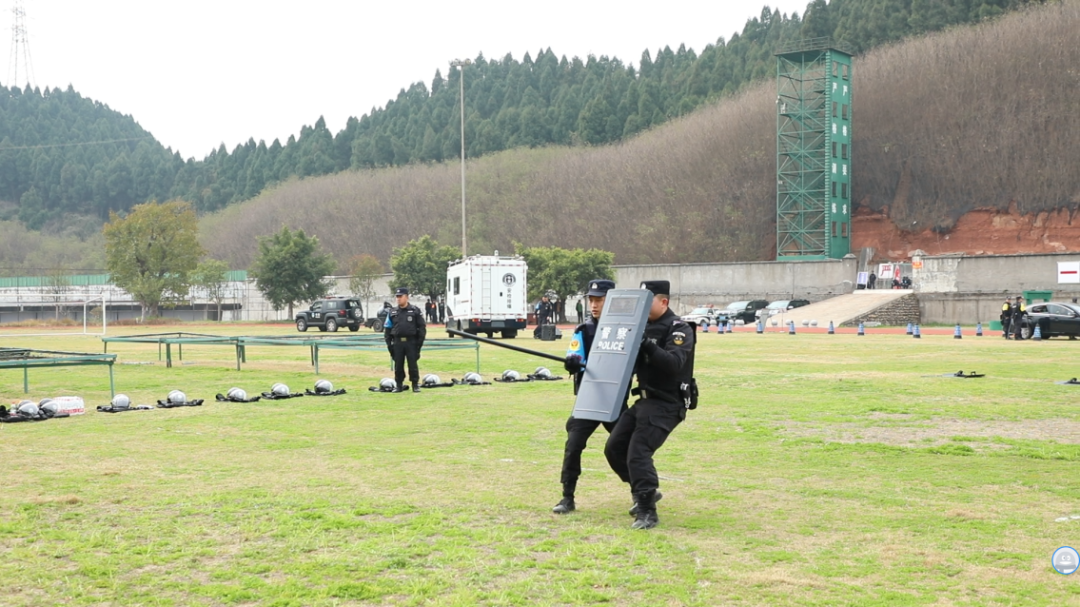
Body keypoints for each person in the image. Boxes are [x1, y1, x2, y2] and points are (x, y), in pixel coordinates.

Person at [605, 280, 695, 530]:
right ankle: (643, 491)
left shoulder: (679, 329)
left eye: (648, 300)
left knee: (638, 451)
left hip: (667, 402)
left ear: (663, 301)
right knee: (614, 448)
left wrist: (643, 342)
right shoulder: (641, 327)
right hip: (643, 401)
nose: (642, 306)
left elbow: (674, 364)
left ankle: (647, 511)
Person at [552, 279, 623, 514]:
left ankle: (643, 492)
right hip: (588, 398)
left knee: (625, 448)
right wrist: (572, 364)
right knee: (573, 446)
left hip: (615, 399)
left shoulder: (626, 330)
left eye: (599, 300)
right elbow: (574, 358)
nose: (594, 305)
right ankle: (567, 497)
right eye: (591, 300)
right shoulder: (583, 330)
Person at [384, 287, 427, 392]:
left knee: (412, 364)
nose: (398, 299)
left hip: (411, 342)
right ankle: (399, 385)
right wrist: (390, 345)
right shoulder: (392, 312)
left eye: (400, 296)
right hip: (398, 342)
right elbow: (387, 329)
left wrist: (419, 345)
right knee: (398, 365)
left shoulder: (415, 311)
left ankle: (415, 384)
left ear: (406, 297)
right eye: (397, 297)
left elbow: (421, 328)